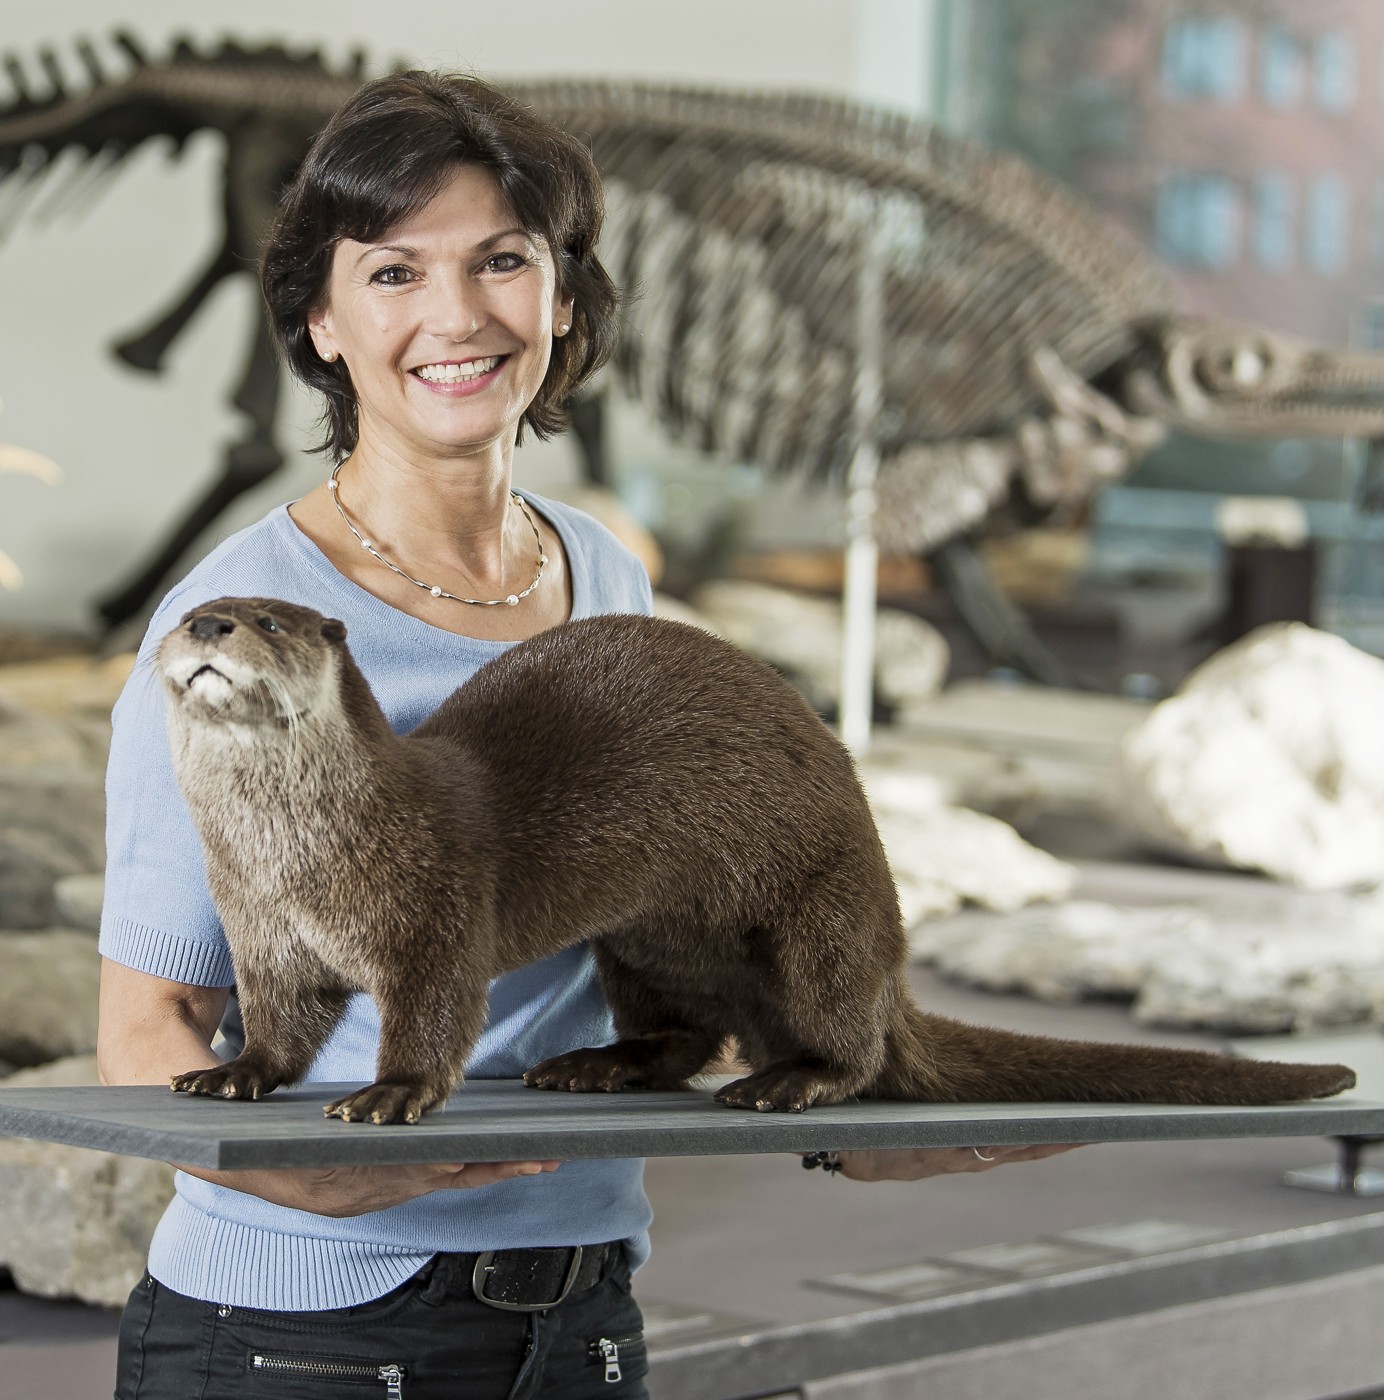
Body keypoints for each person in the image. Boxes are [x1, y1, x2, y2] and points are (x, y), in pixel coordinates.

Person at [96, 70, 1069, 1400]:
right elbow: (147, 1023)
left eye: (502, 260)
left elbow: (660, 917)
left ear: (563, 300)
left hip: (578, 1291)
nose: (457, 315)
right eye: (394, 274)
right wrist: (273, 1162)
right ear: (320, 323)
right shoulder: (224, 630)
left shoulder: (606, 573)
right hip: (306, 1322)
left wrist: (844, 1105)